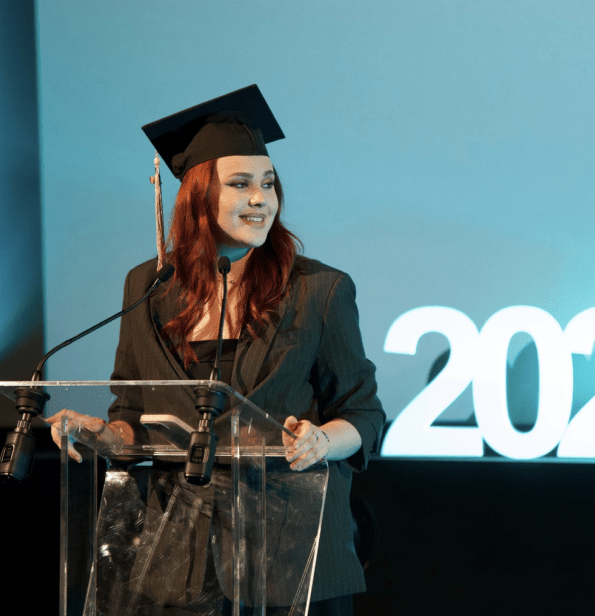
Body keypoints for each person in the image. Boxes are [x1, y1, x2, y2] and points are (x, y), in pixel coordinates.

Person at [46, 85, 385, 616]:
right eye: (241, 184)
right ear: (199, 196)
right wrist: (100, 436)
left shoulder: (319, 290)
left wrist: (322, 440)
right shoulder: (148, 287)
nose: (261, 199)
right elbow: (130, 416)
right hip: (181, 561)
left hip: (288, 559)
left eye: (269, 184)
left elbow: (363, 414)